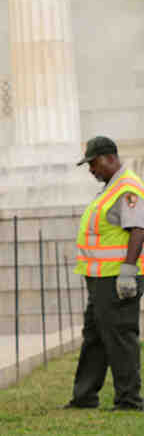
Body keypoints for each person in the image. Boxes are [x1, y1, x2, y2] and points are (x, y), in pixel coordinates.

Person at [65, 136, 144, 410]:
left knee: (120, 336)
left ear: (110, 158)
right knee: (95, 336)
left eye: (93, 163)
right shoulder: (112, 187)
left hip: (117, 277)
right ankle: (85, 396)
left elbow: (138, 229)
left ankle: (129, 399)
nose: (91, 170)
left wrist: (127, 272)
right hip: (101, 278)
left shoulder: (128, 187)